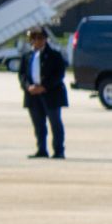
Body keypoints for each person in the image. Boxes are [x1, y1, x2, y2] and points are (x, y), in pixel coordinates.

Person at [18, 26, 70, 159]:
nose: (36, 41)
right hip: (33, 95)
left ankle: (59, 150)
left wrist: (44, 86)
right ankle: (41, 149)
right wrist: (28, 87)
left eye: (40, 38)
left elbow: (59, 75)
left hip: (51, 94)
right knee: (38, 124)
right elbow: (22, 75)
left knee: (55, 123)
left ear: (45, 39)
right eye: (33, 38)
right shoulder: (27, 56)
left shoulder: (54, 55)